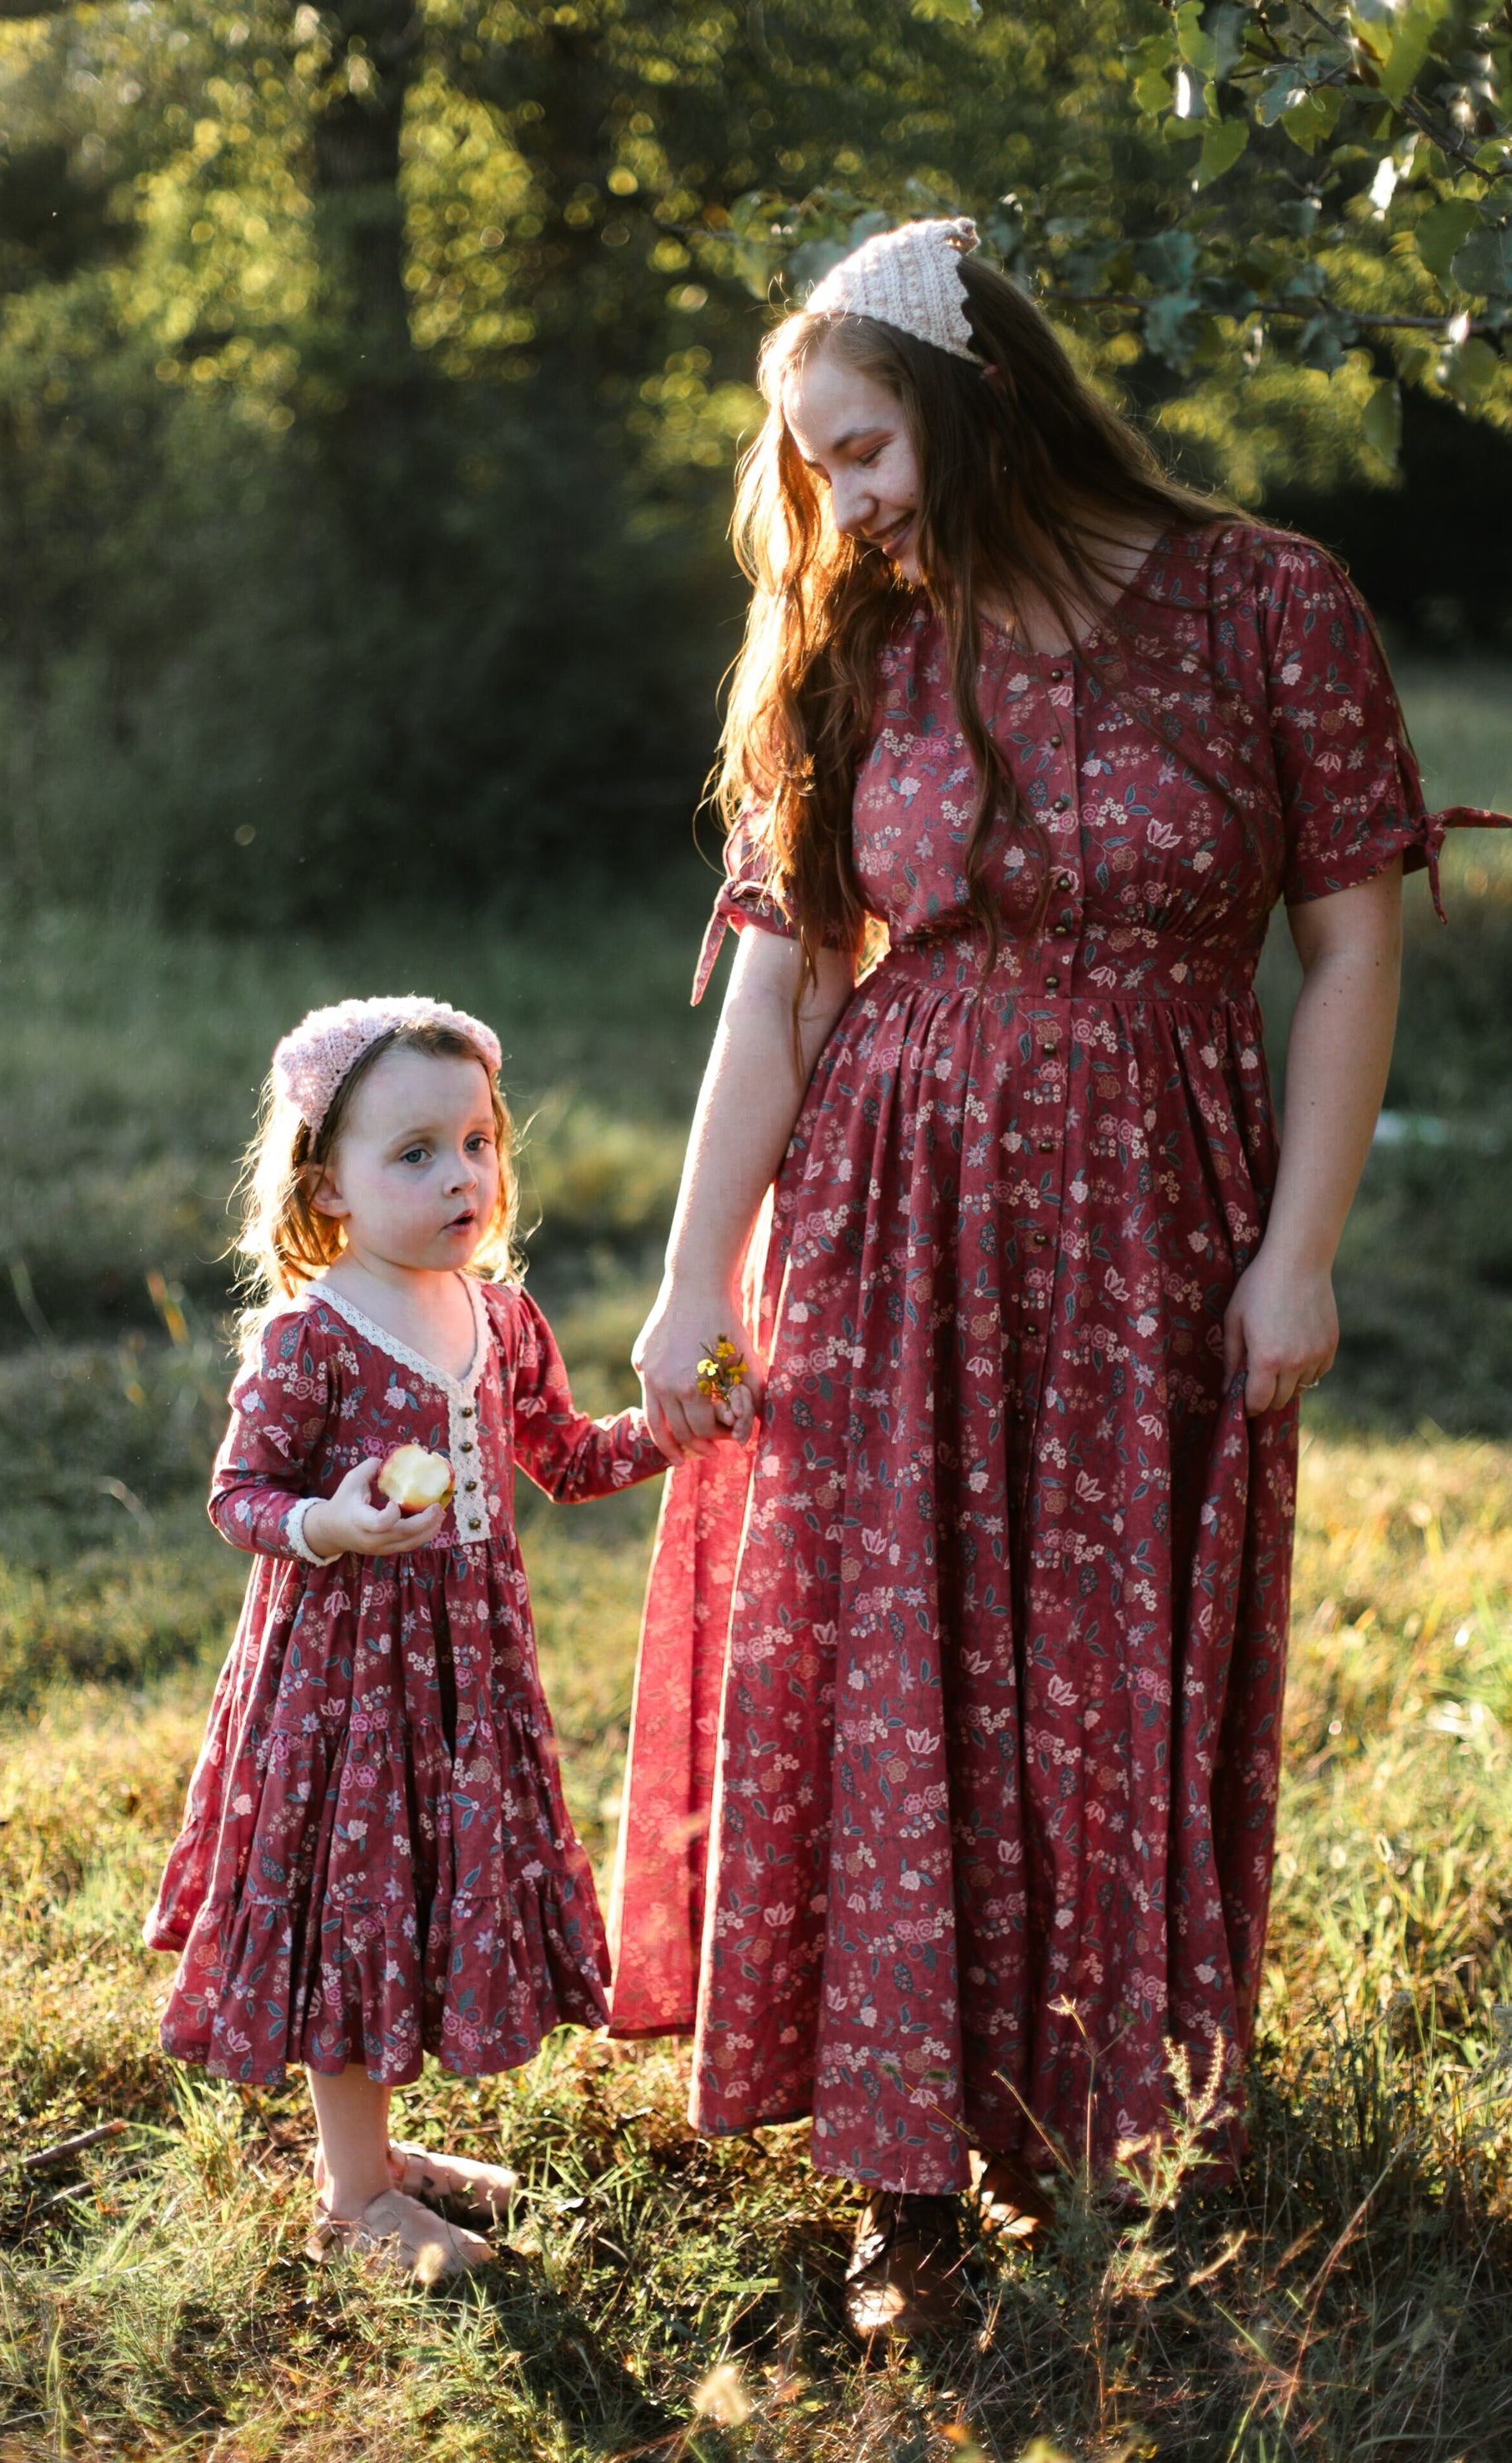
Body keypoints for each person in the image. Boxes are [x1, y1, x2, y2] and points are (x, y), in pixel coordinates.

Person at [608, 218, 1504, 2340]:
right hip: (892, 1214)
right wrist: (684, 1287)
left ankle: (1106, 2119)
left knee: (1117, 1659)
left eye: (864, 445)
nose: (844, 499)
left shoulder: (1268, 599)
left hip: (1163, 1218)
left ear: (978, 390)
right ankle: (902, 2180)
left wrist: (1300, 1254)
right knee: (895, 1662)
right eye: (811, 467)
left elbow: (1352, 940)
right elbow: (781, 992)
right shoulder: (860, 643)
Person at [145, 995, 667, 2280]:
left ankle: (381, 2162)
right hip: (344, 1682)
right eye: (415, 1154)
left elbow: (569, 1458)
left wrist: (677, 1426)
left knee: (426, 1891)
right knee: (352, 1905)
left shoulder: (498, 1321)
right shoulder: (310, 1335)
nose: (463, 1177)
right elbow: (236, 1498)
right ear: (327, 1187)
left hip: (468, 1674)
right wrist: (326, 1519)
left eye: (478, 1142)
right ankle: (353, 2196)